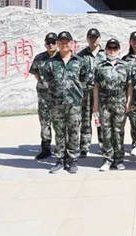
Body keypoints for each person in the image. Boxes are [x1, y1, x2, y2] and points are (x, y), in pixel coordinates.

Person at [44, 31, 90, 174]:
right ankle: (60, 159)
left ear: (72, 43)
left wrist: (76, 94)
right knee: (59, 132)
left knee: (73, 131)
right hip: (56, 104)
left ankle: (72, 159)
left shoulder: (80, 62)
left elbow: (84, 81)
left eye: (67, 42)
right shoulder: (50, 63)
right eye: (61, 42)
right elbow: (46, 81)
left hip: (74, 104)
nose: (64, 44)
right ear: (57, 44)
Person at [92, 38, 136, 171]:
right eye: (110, 48)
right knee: (105, 132)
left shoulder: (125, 65)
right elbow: (96, 86)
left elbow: (130, 85)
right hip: (104, 103)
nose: (112, 51)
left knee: (118, 132)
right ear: (106, 50)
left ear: (119, 50)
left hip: (120, 102)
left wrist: (129, 101)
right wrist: (95, 104)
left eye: (115, 48)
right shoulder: (99, 67)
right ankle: (107, 159)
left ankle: (118, 159)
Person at [28, 32, 58, 160]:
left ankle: (61, 147)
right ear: (45, 44)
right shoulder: (39, 58)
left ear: (57, 43)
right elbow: (36, 74)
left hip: (59, 97)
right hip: (44, 96)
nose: (51, 45)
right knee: (45, 122)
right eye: (48, 42)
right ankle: (46, 148)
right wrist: (44, 84)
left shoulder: (62, 57)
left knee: (59, 122)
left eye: (53, 42)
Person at [77, 28, 106, 158]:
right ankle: (84, 146)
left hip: (101, 92)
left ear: (100, 39)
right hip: (85, 91)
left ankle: (103, 145)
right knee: (85, 119)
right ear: (87, 39)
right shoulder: (80, 55)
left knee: (101, 119)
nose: (93, 40)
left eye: (95, 37)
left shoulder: (106, 54)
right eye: (91, 38)